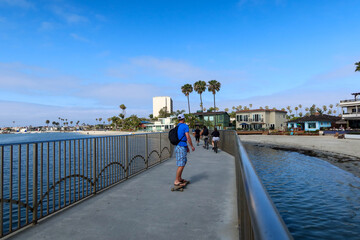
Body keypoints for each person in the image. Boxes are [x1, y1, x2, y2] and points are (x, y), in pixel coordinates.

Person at [174, 114, 195, 186]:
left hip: (179, 146)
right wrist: (192, 146)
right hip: (181, 147)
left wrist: (187, 147)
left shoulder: (177, 126)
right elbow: (188, 137)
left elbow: (182, 138)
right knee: (181, 164)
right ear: (184, 119)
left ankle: (179, 178)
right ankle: (176, 180)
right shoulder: (185, 126)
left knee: (183, 162)